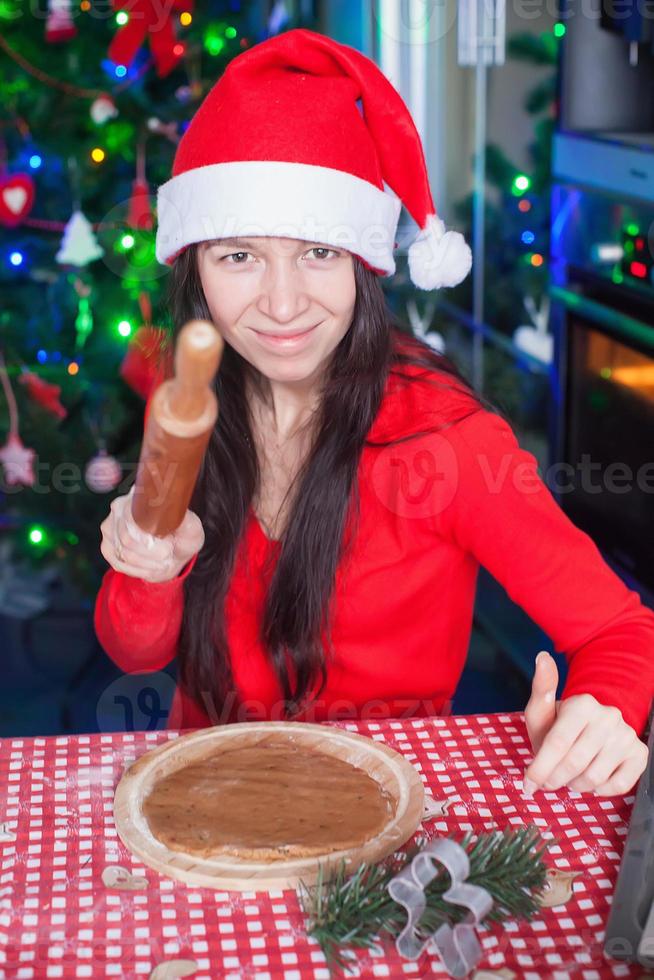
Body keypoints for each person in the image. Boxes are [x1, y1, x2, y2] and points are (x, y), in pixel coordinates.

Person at [95, 28, 653, 797]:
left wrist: (605, 707)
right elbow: (134, 651)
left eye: (318, 253)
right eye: (239, 256)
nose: (283, 304)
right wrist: (147, 562)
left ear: (364, 262)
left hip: (385, 829)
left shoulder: (449, 442)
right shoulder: (190, 397)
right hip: (208, 797)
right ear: (194, 265)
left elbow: (622, 630)